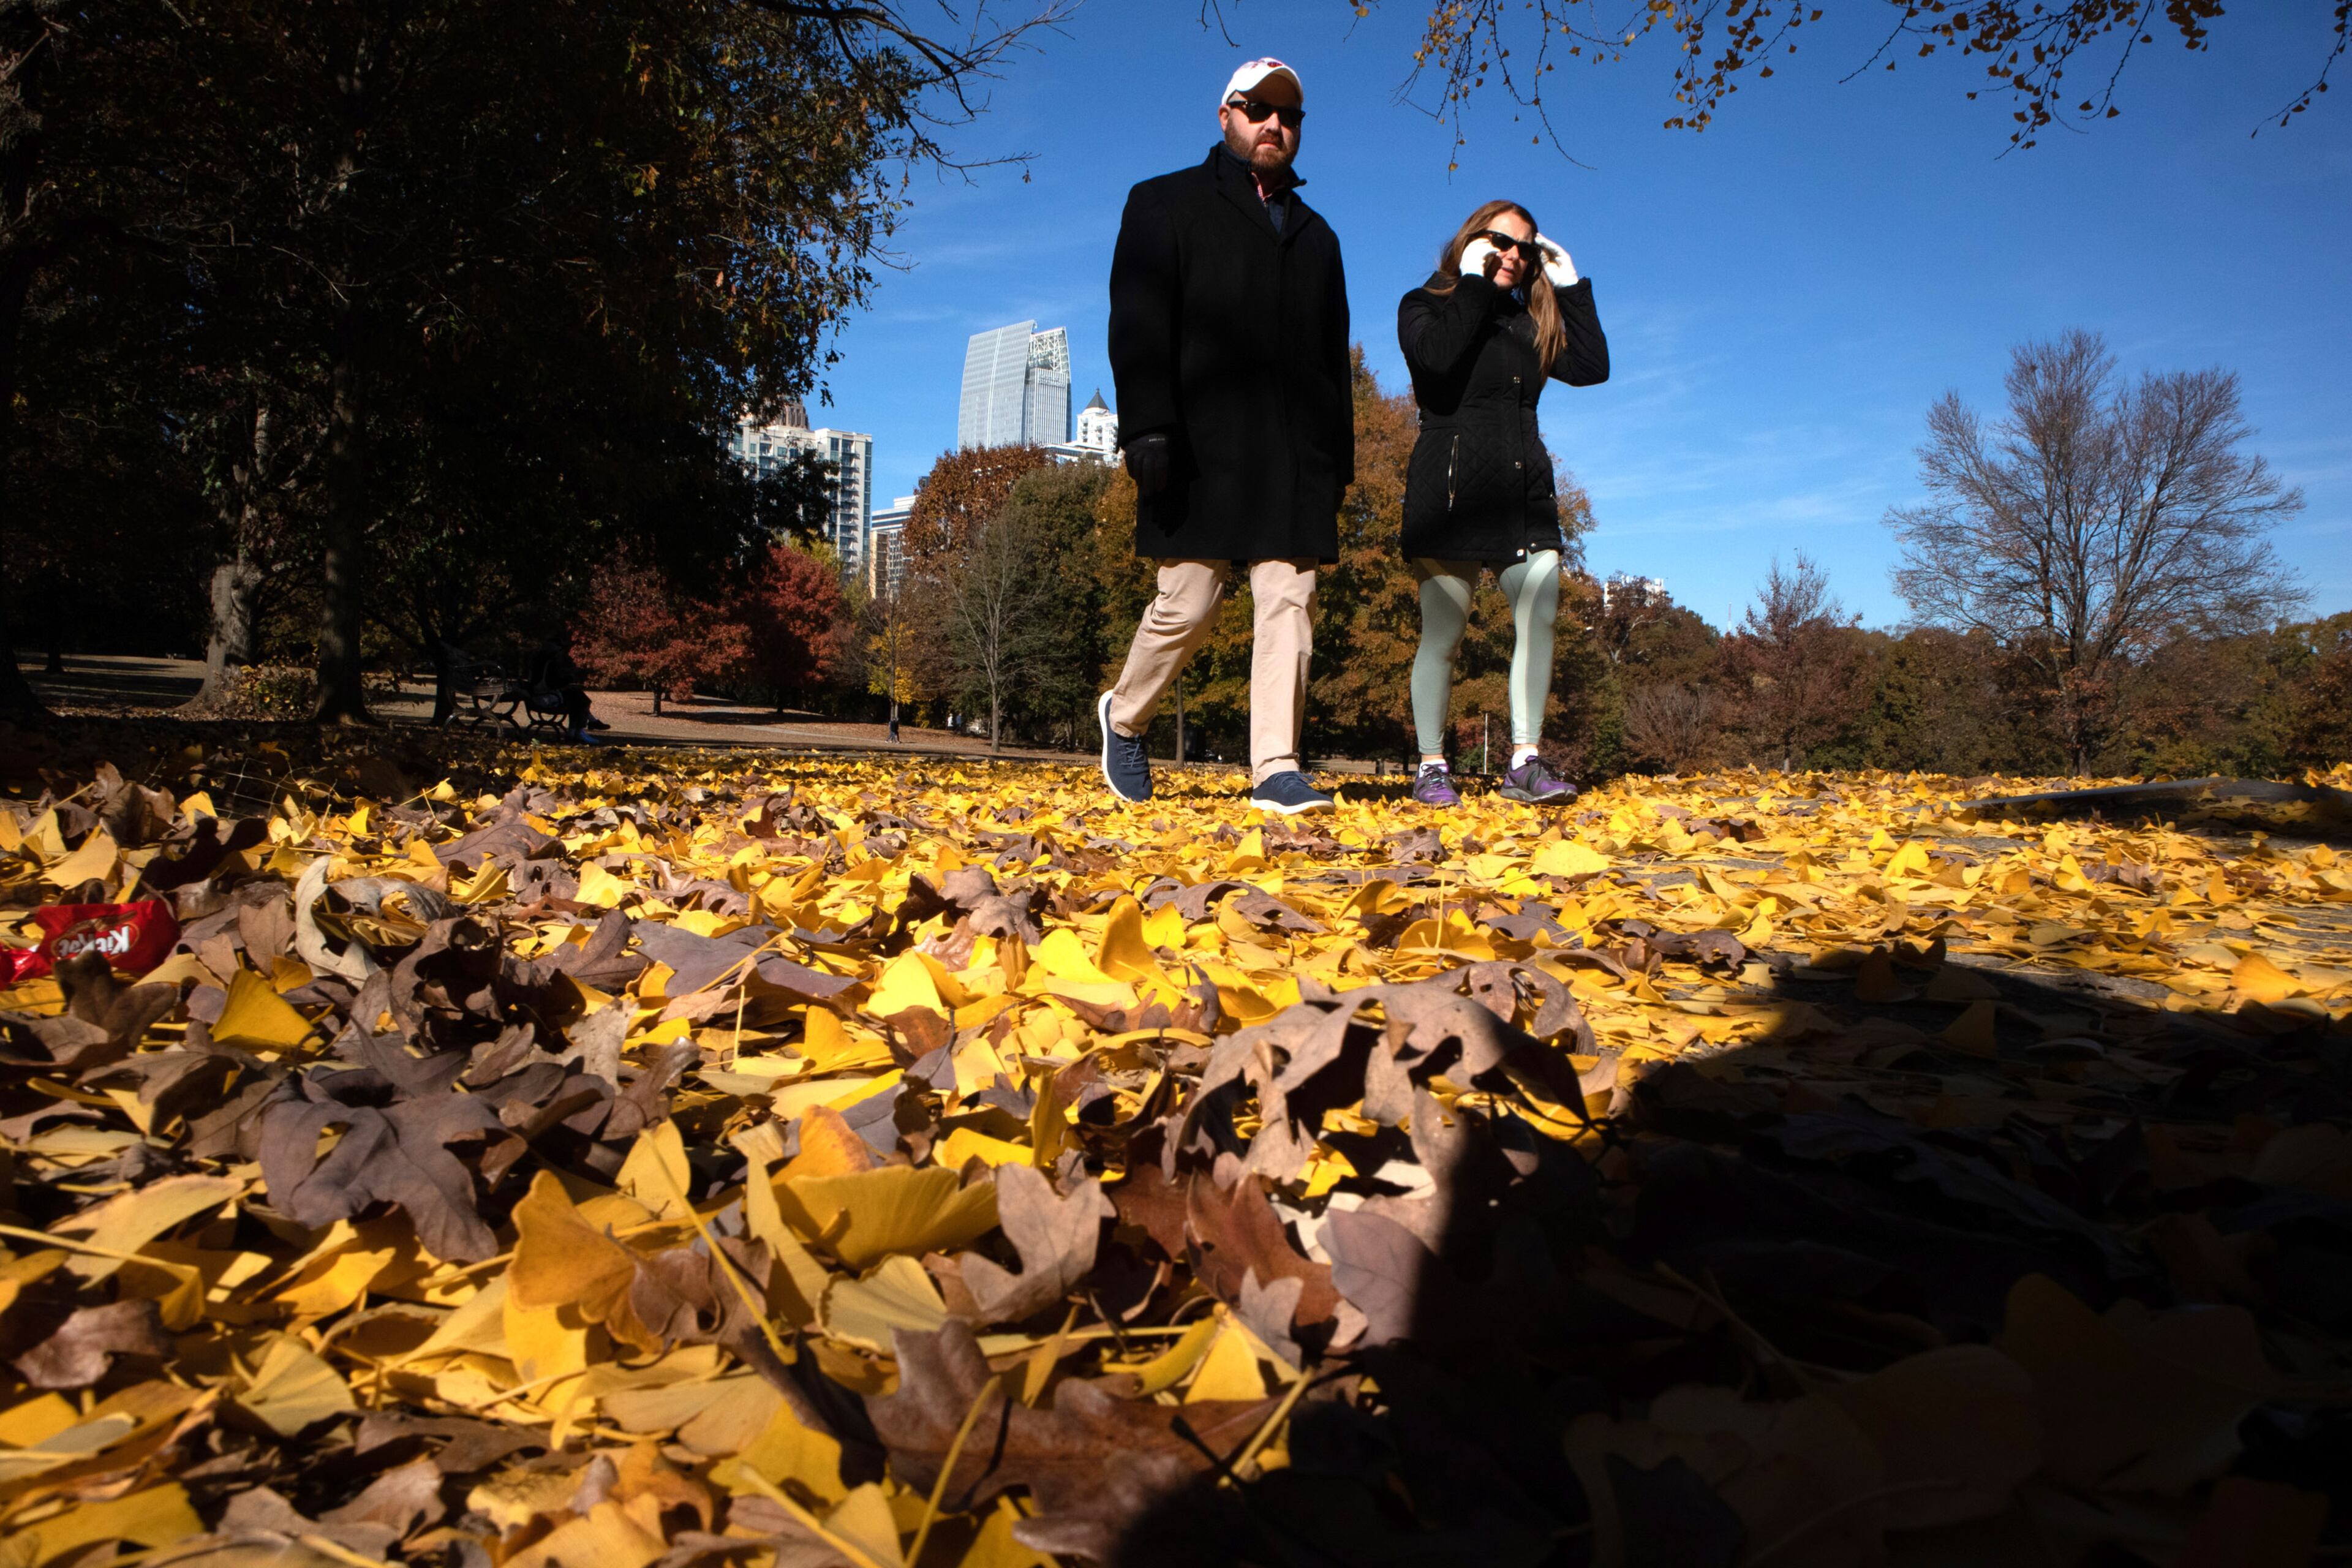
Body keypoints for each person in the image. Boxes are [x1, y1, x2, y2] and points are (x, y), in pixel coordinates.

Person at [1097, 58, 1353, 815]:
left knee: (1289, 599)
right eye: (1258, 109)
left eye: (1290, 115)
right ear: (1226, 117)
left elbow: (1330, 358)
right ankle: (1125, 716)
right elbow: (1138, 319)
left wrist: (1335, 459)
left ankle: (1276, 766)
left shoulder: (1319, 237)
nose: (1275, 124)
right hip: (1194, 443)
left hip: (1292, 455)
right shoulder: (1163, 202)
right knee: (1190, 601)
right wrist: (1145, 424)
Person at [1396, 200, 1608, 806]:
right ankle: (1433, 766)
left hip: (1525, 494)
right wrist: (1470, 284)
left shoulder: (1528, 323)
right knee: (1443, 632)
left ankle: (1525, 761)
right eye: (1503, 241)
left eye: (1528, 248)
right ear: (1473, 239)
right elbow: (1436, 362)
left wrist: (1571, 291)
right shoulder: (1424, 306)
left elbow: (1592, 367)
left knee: (1539, 614)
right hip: (1452, 493)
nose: (1516, 254)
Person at [522, 637, 602, 744]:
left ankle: (582, 728)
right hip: (546, 698)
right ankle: (579, 730)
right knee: (578, 698)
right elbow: (552, 683)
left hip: (537, 696)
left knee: (576, 696)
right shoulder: (549, 664)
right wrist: (569, 679)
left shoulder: (538, 660)